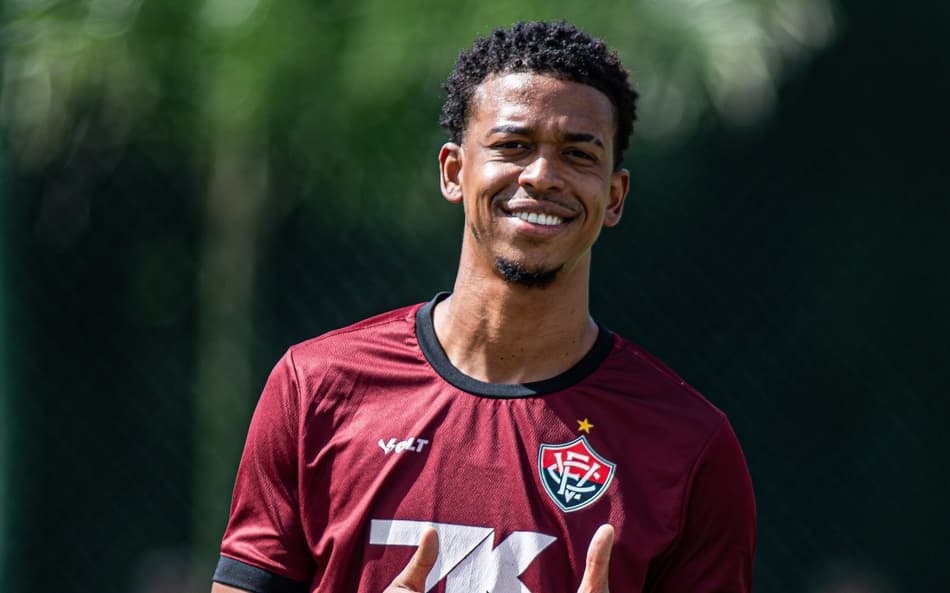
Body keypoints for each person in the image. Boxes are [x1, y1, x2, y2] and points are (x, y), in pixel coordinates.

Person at [210, 20, 756, 593]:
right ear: (454, 172)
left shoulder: (690, 446)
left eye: (577, 154)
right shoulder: (317, 389)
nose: (542, 176)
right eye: (513, 146)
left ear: (614, 197)